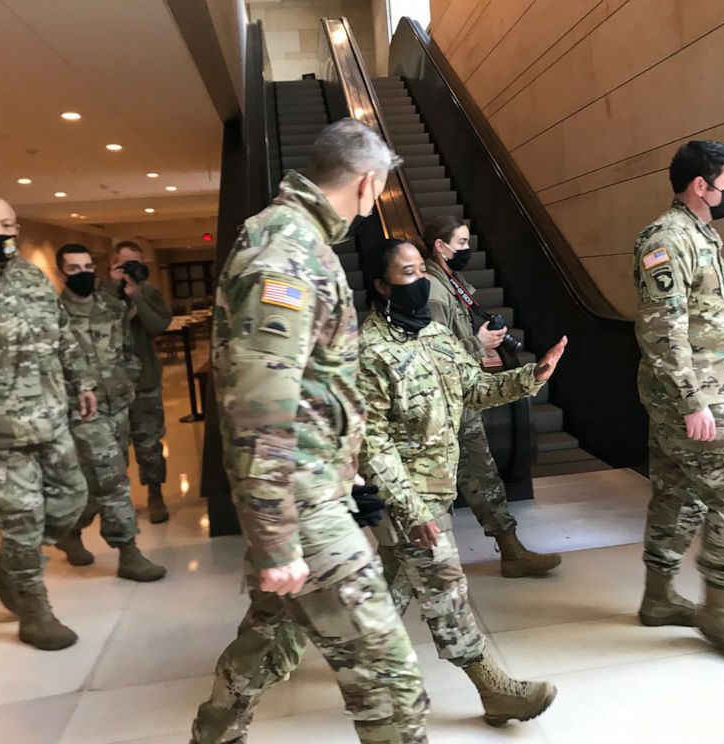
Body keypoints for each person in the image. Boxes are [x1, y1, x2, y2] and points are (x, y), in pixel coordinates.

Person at [191, 119, 428, 744]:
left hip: (311, 488)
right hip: (300, 502)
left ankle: (215, 731)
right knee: (391, 683)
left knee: (271, 631)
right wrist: (276, 538)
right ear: (369, 182)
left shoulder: (290, 238)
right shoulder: (287, 252)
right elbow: (261, 404)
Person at [358, 238, 567, 727]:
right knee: (446, 590)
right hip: (406, 498)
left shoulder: (433, 334)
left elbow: (474, 388)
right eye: (408, 274)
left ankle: (355, 655)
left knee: (393, 586)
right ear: (381, 286)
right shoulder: (370, 351)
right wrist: (411, 510)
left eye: (420, 272)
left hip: (438, 486)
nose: (421, 282)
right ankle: (494, 689)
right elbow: (373, 445)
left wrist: (530, 377)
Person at [632, 140, 724, 665]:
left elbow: (709, 317)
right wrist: (692, 403)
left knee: (678, 490)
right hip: (687, 396)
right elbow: (661, 329)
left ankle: (659, 598)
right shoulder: (665, 239)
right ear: (700, 185)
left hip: (708, 386)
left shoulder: (702, 235)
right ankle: (719, 608)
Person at [0, 194, 98, 650]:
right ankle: (35, 613)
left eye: (8, 225)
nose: (0, 235)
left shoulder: (31, 277)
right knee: (23, 521)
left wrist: (83, 382)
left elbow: (61, 335)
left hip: (49, 419)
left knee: (73, 497)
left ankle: (7, 564)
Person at [421, 215, 561, 578]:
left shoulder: (452, 283)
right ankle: (422, 566)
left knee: (482, 475)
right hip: (440, 404)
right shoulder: (434, 291)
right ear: (440, 245)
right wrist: (475, 344)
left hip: (461, 399)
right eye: (462, 242)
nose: (468, 249)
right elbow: (436, 356)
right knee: (437, 485)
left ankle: (511, 549)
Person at [54, 244, 166, 582]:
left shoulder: (110, 307)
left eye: (88, 266)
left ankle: (71, 531)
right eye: (74, 269)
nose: (83, 273)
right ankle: (128, 551)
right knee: (113, 480)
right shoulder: (53, 314)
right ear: (61, 273)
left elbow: (128, 350)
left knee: (99, 479)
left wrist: (129, 382)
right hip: (83, 412)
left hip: (119, 404)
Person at [103, 240, 172, 523]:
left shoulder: (150, 291)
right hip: (111, 384)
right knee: (113, 448)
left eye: (136, 264)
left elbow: (159, 325)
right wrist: (113, 288)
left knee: (150, 444)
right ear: (114, 265)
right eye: (125, 264)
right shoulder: (102, 294)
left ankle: (155, 493)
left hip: (144, 380)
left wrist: (137, 296)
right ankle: (119, 501)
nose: (131, 269)